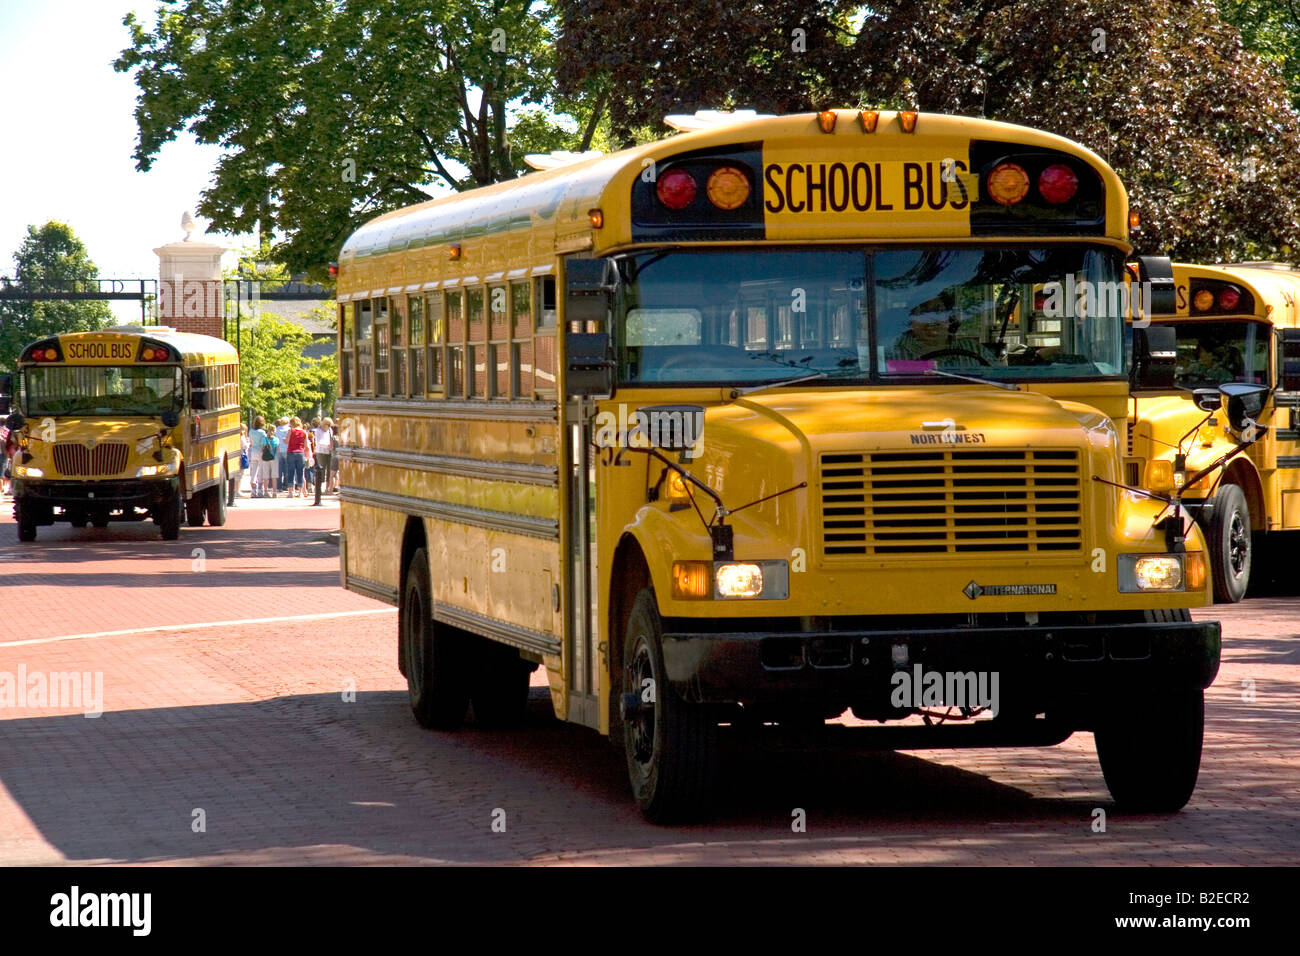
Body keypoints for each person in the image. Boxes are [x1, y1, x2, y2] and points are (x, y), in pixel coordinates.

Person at [248, 415, 273, 497]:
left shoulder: (251, 431)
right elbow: (265, 442)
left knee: (253, 471)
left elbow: (251, 441)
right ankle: (259, 490)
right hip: (260, 452)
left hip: (253, 451)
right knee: (261, 471)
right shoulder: (262, 432)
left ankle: (253, 490)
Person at [285, 416, 309, 498]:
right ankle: (300, 492)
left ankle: (290, 492)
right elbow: (306, 445)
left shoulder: (291, 430)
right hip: (300, 453)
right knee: (300, 472)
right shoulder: (304, 432)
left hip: (291, 452)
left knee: (291, 472)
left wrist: (284, 439)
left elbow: (287, 441)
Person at [313, 417, 333, 500]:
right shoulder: (318, 431)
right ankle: (318, 488)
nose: (328, 427)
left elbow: (331, 439)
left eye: (330, 425)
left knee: (329, 470)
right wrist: (326, 445)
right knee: (321, 470)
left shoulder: (330, 430)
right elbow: (318, 442)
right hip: (321, 451)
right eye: (327, 425)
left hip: (329, 452)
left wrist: (331, 446)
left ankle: (327, 488)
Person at [274, 417, 290, 496]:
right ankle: (286, 485)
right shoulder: (289, 429)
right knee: (287, 468)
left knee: (279, 469)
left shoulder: (277, 429)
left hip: (278, 449)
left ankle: (279, 485)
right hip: (287, 450)